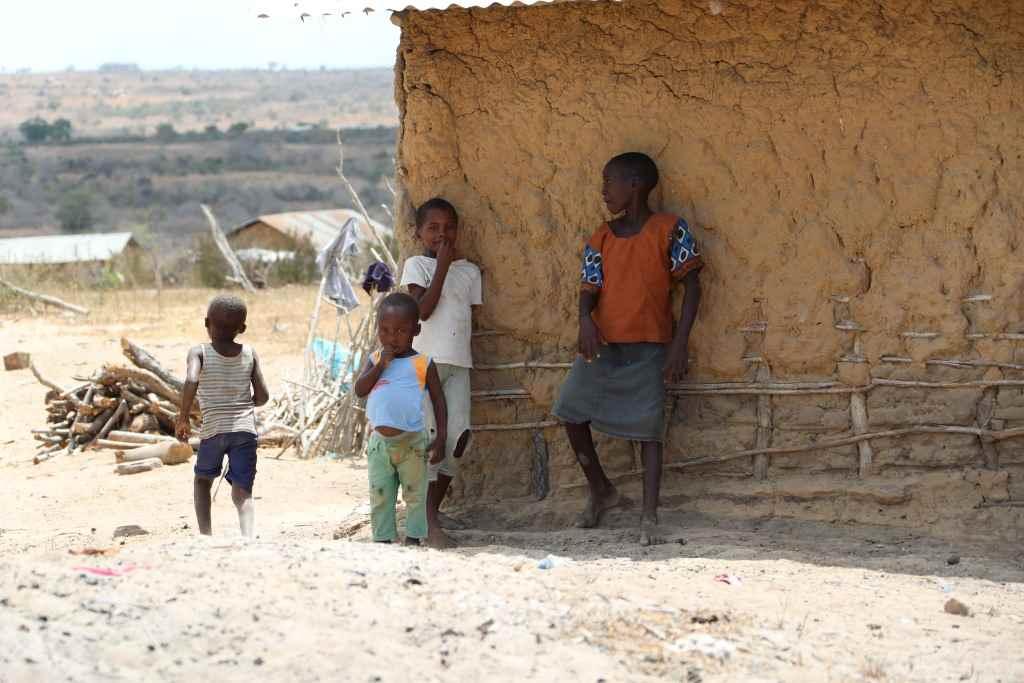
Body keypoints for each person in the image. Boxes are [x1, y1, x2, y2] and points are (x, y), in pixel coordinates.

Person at [552, 152, 704, 546]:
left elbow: (692, 287)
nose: (604, 191)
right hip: (603, 344)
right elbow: (589, 286)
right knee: (570, 411)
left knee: (649, 430)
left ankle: (649, 516)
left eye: (610, 182)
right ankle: (601, 489)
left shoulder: (670, 229)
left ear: (634, 184)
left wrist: (679, 344)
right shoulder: (602, 236)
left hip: (650, 345)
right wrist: (585, 320)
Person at [400, 197, 482, 549]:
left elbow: (468, 317)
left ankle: (428, 512)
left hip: (458, 364)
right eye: (433, 228)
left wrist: (451, 267)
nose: (442, 234)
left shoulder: (470, 272)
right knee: (429, 437)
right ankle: (428, 523)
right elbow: (423, 311)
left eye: (449, 228)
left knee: (458, 437)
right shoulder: (417, 265)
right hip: (424, 365)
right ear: (418, 233)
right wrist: (443, 267)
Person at [354, 292, 448, 546]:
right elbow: (360, 390)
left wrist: (441, 437)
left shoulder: (423, 364)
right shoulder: (375, 359)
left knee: (415, 493)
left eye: (400, 331)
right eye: (384, 330)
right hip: (380, 444)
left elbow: (439, 401)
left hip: (412, 442)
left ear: (416, 330)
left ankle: (414, 539)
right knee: (380, 493)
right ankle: (383, 539)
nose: (391, 337)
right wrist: (380, 367)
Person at [177, 295, 270, 538]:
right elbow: (263, 397)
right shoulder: (249, 353)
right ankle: (248, 537)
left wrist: (183, 418)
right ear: (242, 328)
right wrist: (244, 404)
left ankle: (206, 536)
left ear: (207, 323)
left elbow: (191, 379)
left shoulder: (199, 353)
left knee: (202, 481)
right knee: (242, 492)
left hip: (214, 431)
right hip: (245, 431)